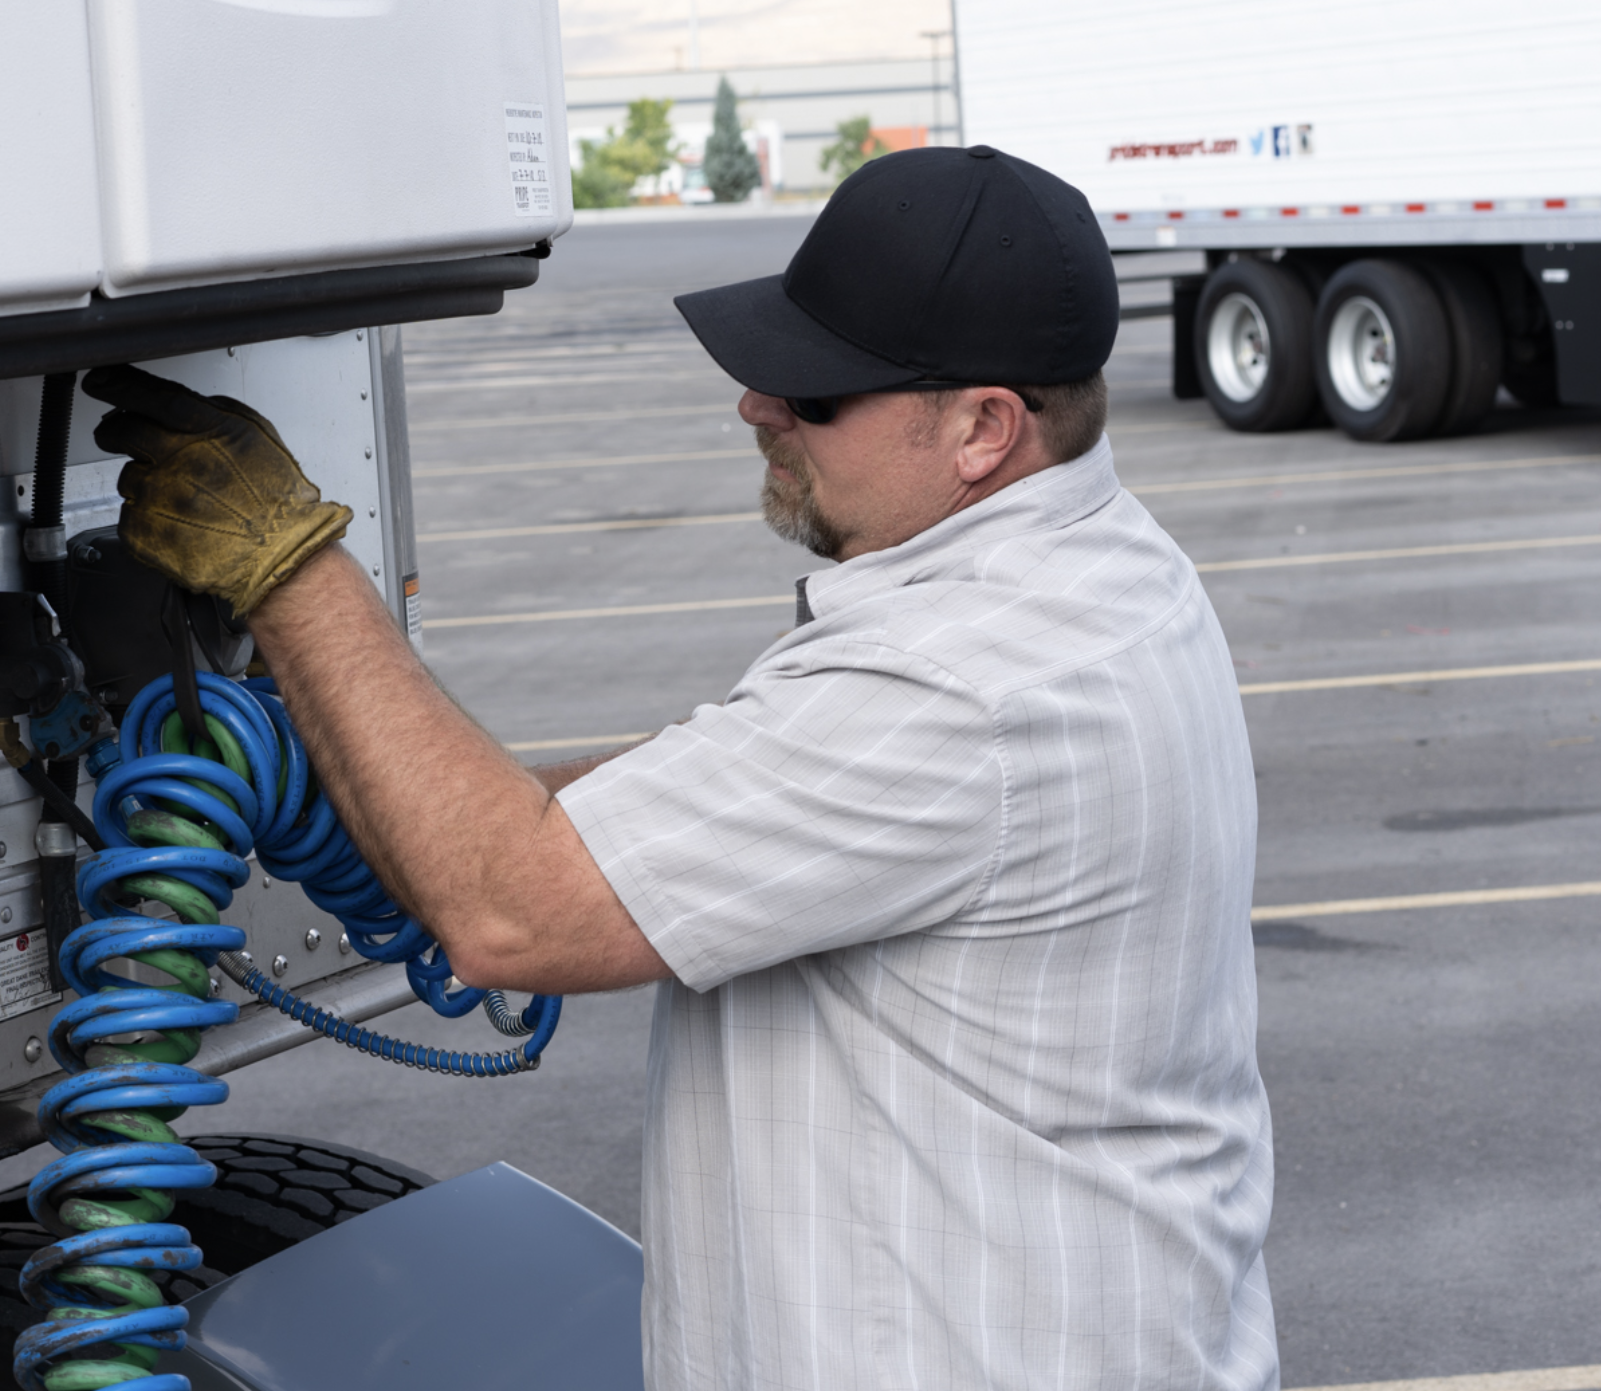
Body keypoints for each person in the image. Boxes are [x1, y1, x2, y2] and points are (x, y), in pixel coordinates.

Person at [82, 144, 1278, 1391]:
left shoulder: (959, 686)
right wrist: (384, 785)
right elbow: (742, 786)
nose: (758, 406)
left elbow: (512, 913)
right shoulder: (1101, 578)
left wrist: (290, 569)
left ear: (983, 427)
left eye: (815, 392)